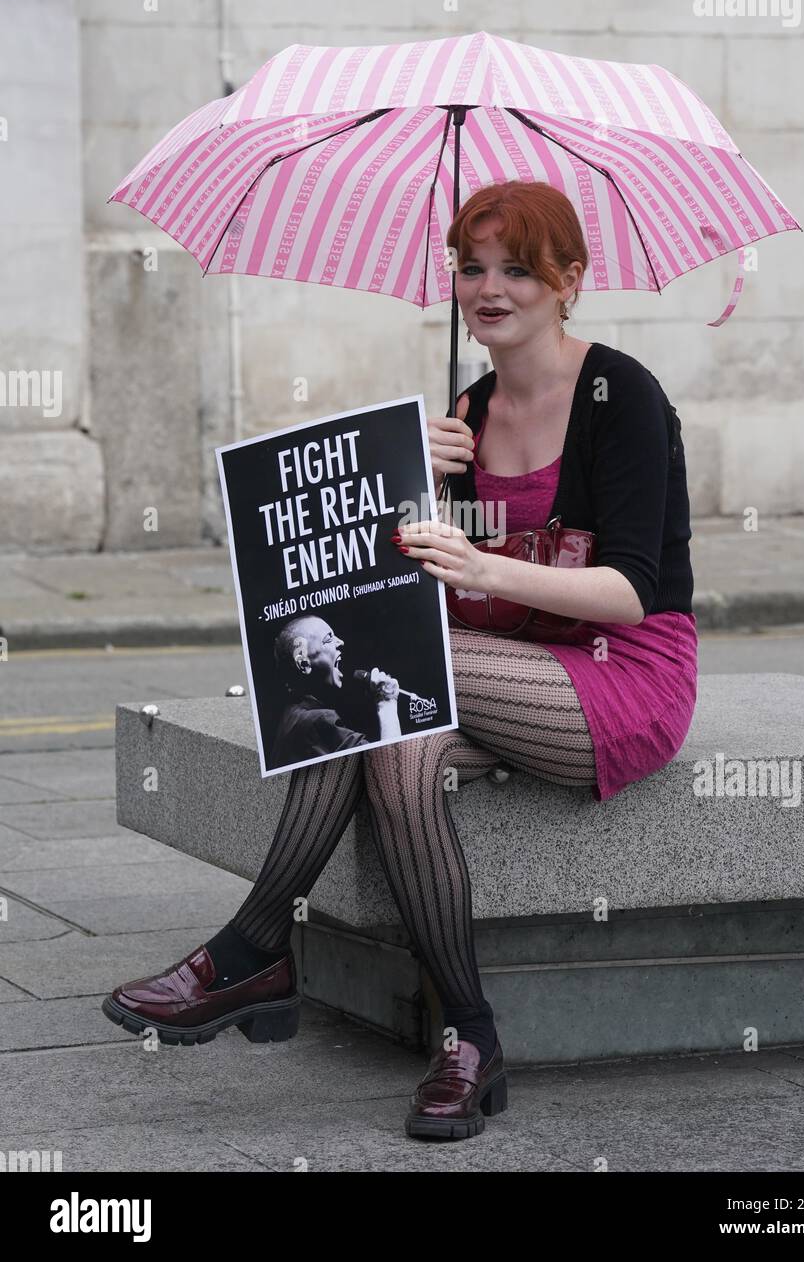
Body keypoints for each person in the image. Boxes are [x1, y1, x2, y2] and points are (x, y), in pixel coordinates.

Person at [101, 179, 697, 1144]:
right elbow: (448, 593)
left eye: (517, 269)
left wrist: (480, 555)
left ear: (569, 280)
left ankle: (252, 950)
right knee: (392, 743)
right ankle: (469, 1036)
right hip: (505, 663)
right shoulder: (468, 406)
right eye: (471, 266)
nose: (488, 288)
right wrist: (410, 486)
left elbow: (633, 588)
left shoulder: (617, 394)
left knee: (387, 673)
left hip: (621, 672)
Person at [269, 615, 400, 766]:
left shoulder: (291, 715)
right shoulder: (316, 721)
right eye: (329, 638)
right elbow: (390, 768)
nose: (341, 642)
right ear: (304, 664)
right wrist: (386, 703)